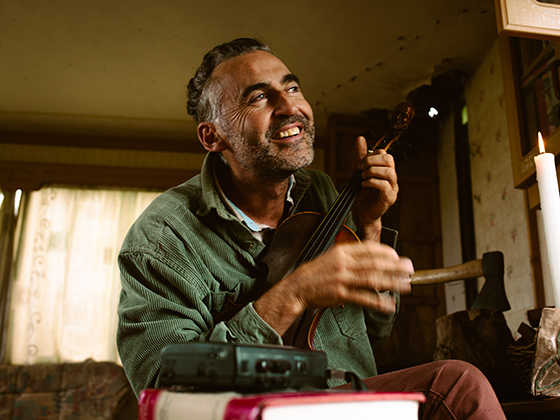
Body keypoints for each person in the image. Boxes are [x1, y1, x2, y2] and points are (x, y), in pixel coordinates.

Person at [117, 38, 506, 420]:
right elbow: (164, 392)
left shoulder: (320, 192)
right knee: (455, 385)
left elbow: (372, 335)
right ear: (212, 136)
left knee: (458, 390)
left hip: (349, 403)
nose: (290, 107)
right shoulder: (161, 238)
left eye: (292, 87)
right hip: (254, 414)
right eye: (258, 98)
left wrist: (369, 225)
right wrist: (295, 292)